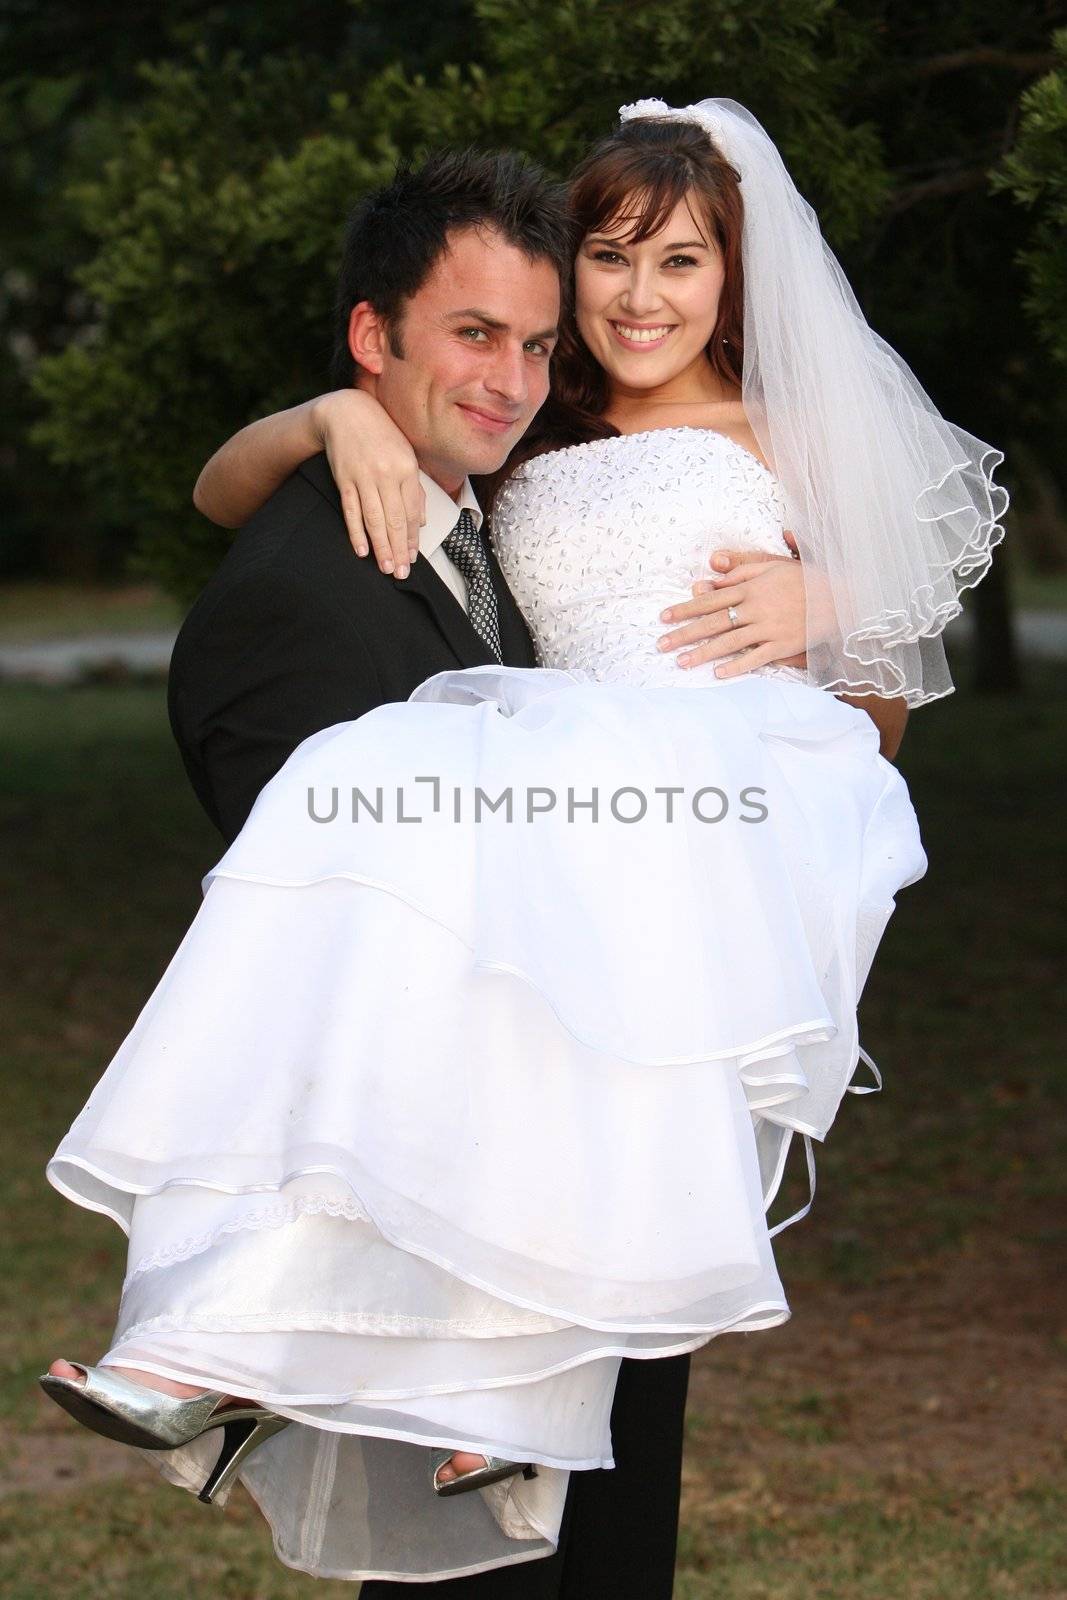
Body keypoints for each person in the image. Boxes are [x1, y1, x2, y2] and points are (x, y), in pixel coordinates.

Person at [39, 97, 1004, 1594]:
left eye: (681, 262)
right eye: (608, 259)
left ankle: (491, 1399)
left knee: (580, 1073)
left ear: (734, 281)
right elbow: (224, 491)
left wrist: (828, 616)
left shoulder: (784, 440)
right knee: (398, 916)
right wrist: (330, 414)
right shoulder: (523, 431)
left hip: (716, 790)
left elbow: (884, 698)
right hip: (558, 778)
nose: (638, 297)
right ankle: (233, 1341)